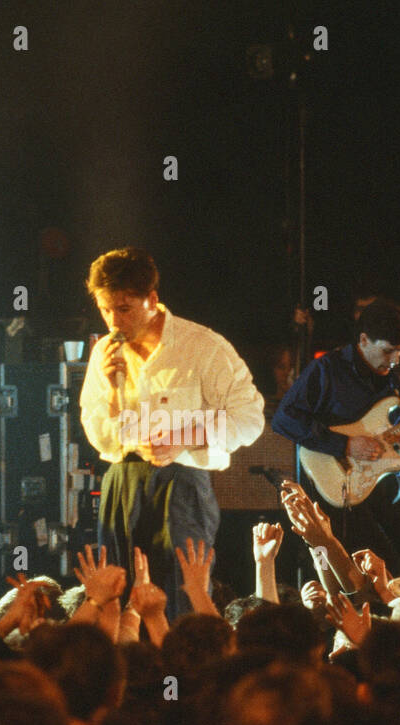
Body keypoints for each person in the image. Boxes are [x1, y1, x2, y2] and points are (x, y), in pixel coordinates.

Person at [78, 248, 265, 618]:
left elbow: (251, 418)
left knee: (180, 597)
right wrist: (112, 393)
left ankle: (180, 672)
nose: (114, 321)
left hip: (182, 483)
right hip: (123, 480)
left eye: (124, 308)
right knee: (117, 595)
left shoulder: (203, 347)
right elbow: (96, 430)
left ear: (152, 299)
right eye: (104, 310)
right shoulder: (104, 351)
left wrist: (186, 437)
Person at [271, 298, 400, 576]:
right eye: (388, 350)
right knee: (357, 557)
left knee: (399, 541)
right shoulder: (326, 370)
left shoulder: (394, 383)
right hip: (334, 482)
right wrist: (346, 443)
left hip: (381, 484)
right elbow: (284, 419)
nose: (395, 360)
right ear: (364, 340)